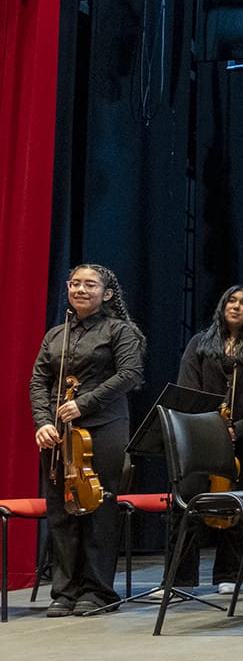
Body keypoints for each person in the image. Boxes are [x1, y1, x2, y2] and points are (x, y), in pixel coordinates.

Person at [29, 264, 145, 616]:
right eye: (75, 283)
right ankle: (64, 591)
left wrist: (83, 404)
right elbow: (39, 383)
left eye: (90, 285)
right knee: (60, 510)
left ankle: (98, 591)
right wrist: (43, 422)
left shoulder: (119, 331)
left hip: (105, 427)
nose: (81, 289)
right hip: (59, 433)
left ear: (106, 294)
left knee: (97, 507)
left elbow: (130, 374)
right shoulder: (54, 335)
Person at [174, 285, 243, 593]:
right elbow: (188, 391)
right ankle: (180, 579)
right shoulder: (200, 343)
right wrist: (209, 429)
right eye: (231, 301)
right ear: (222, 305)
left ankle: (229, 575)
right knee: (186, 505)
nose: (236, 307)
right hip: (202, 440)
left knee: (239, 507)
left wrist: (241, 427)